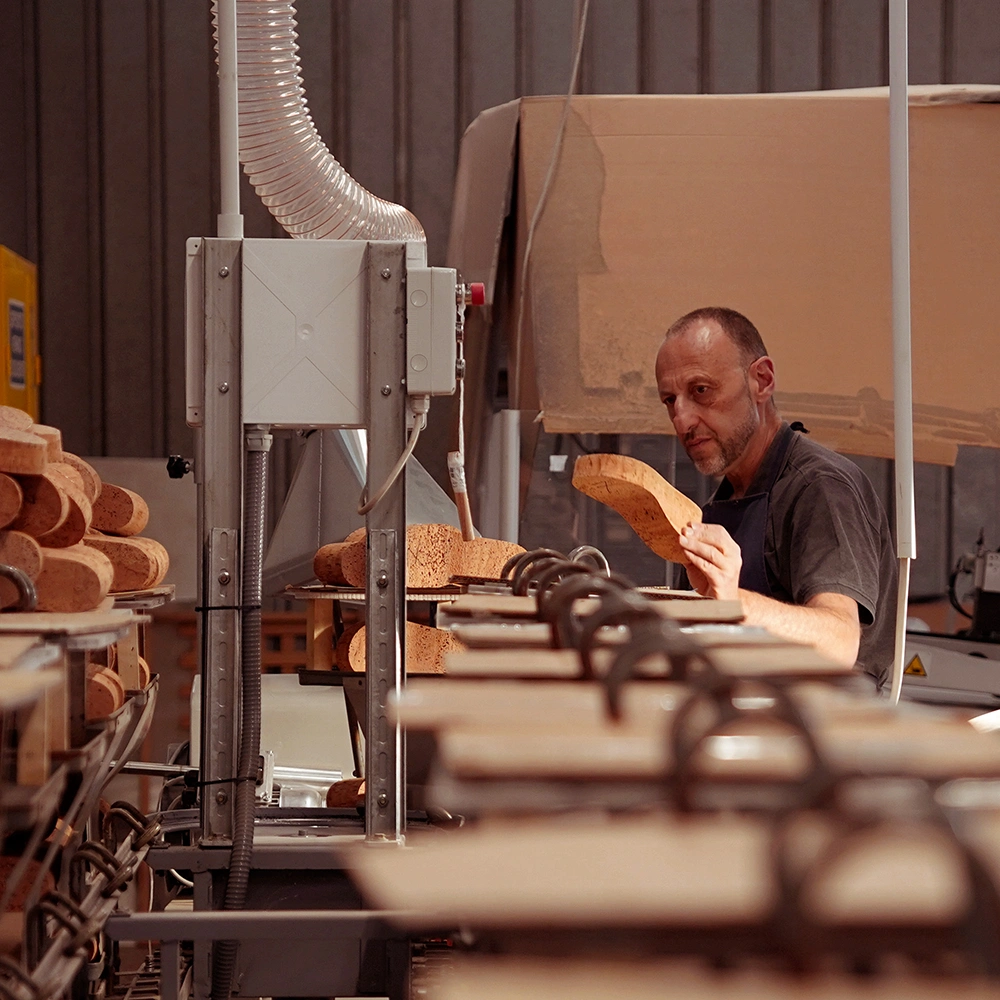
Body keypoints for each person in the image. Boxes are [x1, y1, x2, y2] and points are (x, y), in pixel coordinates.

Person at [654, 306, 897, 686]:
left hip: (824, 731)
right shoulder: (721, 502)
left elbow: (839, 640)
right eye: (670, 401)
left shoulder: (822, 488)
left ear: (762, 381)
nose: (682, 419)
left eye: (701, 390)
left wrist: (733, 602)